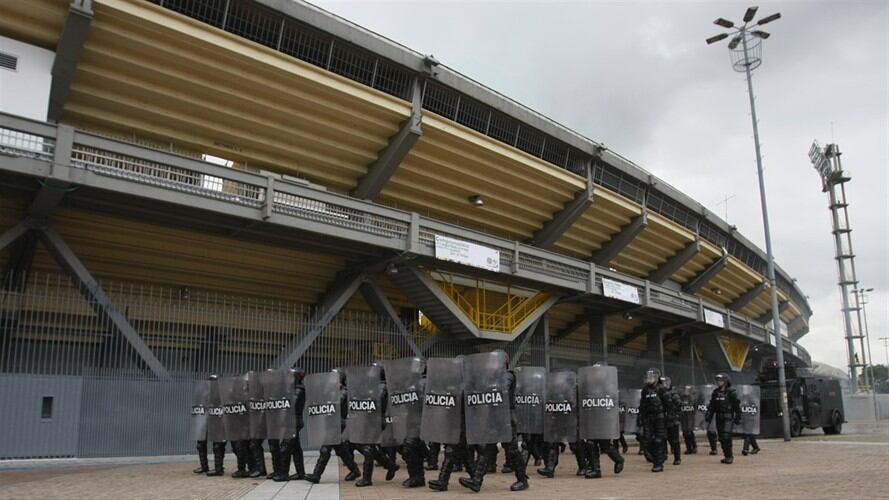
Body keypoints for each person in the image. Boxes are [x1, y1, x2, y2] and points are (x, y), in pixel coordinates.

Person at [459, 352, 529, 492]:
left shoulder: (508, 375)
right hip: (493, 417)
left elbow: (501, 388)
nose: (491, 365)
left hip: (507, 418)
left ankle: (522, 480)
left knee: (512, 450)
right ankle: (476, 481)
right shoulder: (489, 378)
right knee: (486, 448)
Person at [304, 369, 362, 483]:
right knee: (341, 450)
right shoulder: (332, 391)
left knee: (325, 449)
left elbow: (336, 404)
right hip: (330, 422)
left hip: (338, 423)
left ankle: (317, 475)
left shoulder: (344, 391)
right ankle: (355, 470)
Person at [354, 364, 399, 487]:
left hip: (376, 420)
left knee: (368, 448)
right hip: (369, 419)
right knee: (366, 446)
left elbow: (375, 402)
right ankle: (391, 465)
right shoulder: (373, 386)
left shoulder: (382, 387)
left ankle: (367, 478)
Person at [273, 368, 306, 481]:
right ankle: (300, 473)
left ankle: (283, 473)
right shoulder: (293, 389)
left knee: (285, 447)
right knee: (296, 448)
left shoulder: (298, 390)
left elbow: (290, 404)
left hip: (293, 422)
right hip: (292, 421)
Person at [705, 373, 741, 464]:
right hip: (719, 417)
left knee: (726, 436)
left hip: (728, 417)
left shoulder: (732, 392)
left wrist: (738, 417)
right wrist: (709, 415)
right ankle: (726, 455)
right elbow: (712, 405)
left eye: (721, 380)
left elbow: (737, 406)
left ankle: (729, 456)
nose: (719, 382)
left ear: (726, 381)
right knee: (721, 438)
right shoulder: (715, 392)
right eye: (718, 380)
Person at [638, 368, 666, 472]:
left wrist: (668, 418)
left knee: (658, 440)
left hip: (659, 418)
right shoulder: (645, 390)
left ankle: (658, 464)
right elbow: (642, 404)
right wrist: (640, 417)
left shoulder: (661, 389)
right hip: (648, 418)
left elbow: (668, 405)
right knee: (647, 440)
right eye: (648, 377)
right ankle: (654, 458)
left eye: (652, 377)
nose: (649, 380)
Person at [658, 376, 682, 466]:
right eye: (662, 384)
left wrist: (675, 414)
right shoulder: (658, 394)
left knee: (674, 441)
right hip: (662, 419)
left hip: (672, 420)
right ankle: (663, 456)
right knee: (662, 439)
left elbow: (679, 405)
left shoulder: (673, 394)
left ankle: (677, 457)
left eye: (666, 383)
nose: (664, 385)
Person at [679, 386, 698, 455]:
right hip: (683, 417)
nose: (686, 392)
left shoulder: (692, 399)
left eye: (687, 390)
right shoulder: (680, 398)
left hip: (690, 417)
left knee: (689, 432)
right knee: (685, 432)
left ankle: (694, 446)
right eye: (685, 390)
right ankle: (689, 448)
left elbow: (695, 407)